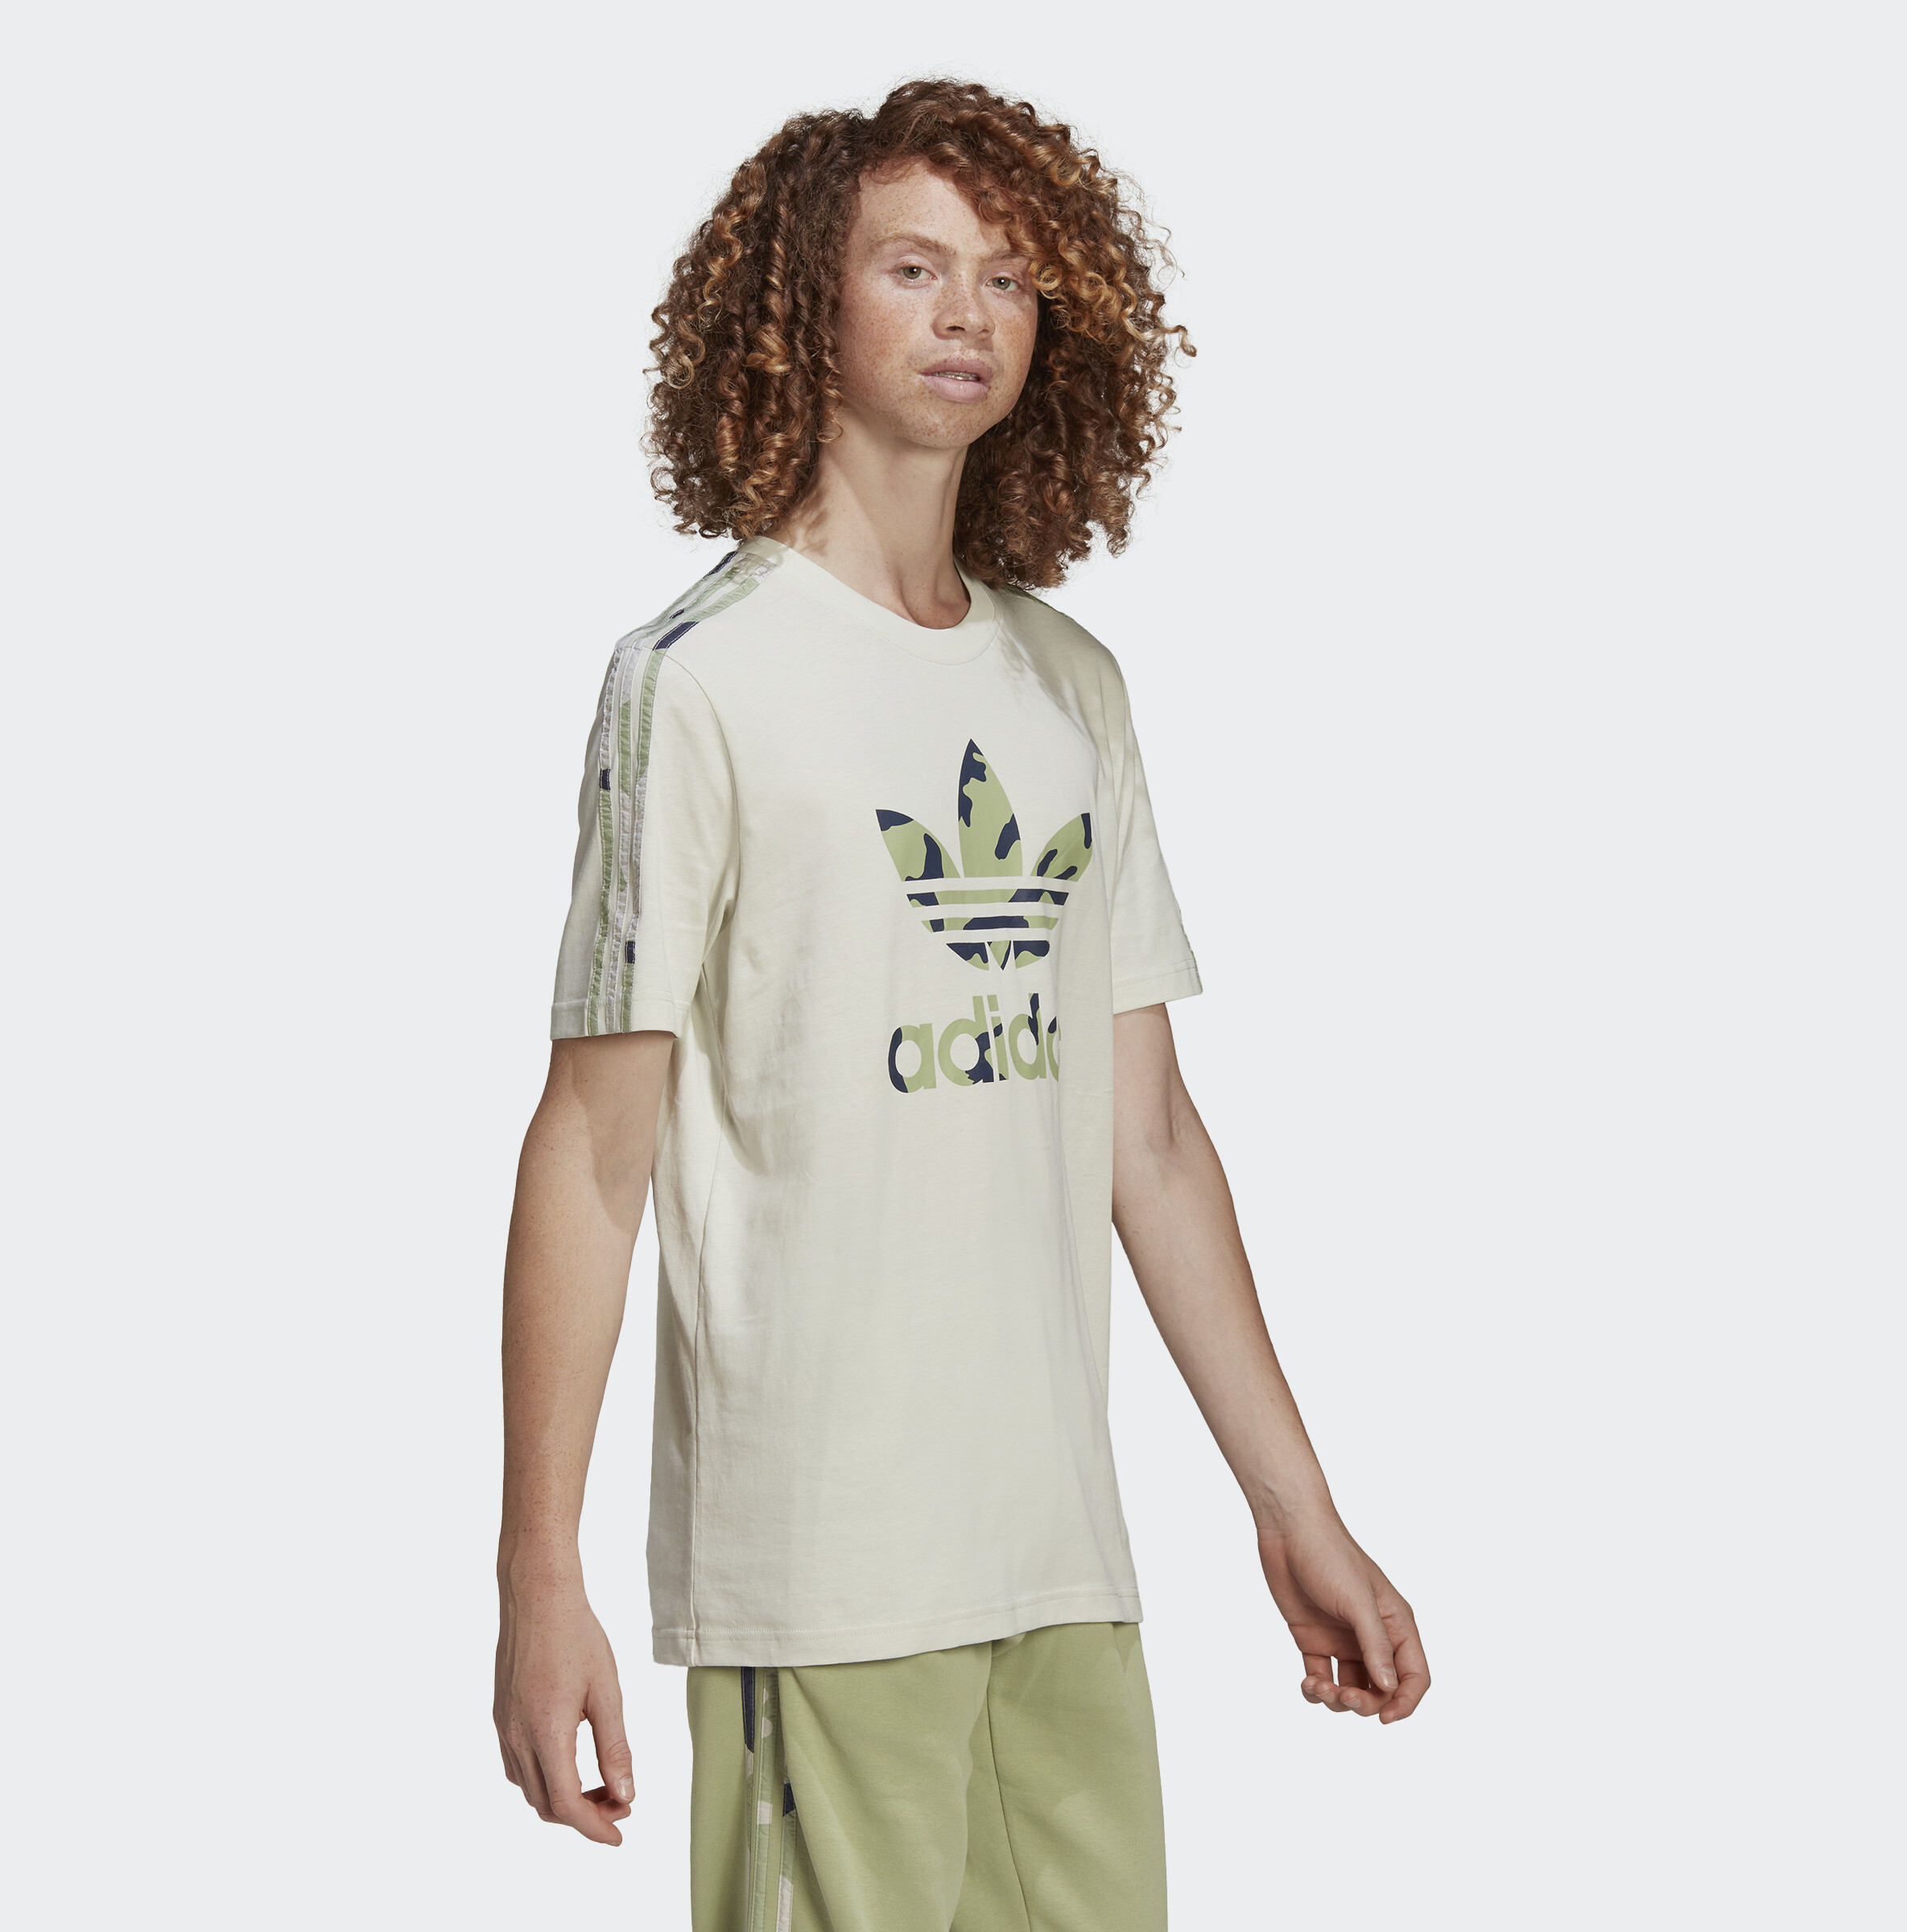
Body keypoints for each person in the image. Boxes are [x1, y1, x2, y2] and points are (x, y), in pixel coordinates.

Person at [493, 77, 1429, 1931]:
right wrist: (540, 1572)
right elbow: (592, 1156)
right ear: (803, 303)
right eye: (912, 267)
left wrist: (1294, 1505)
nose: (967, 313)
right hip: (822, 1569)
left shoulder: (1070, 685)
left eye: (1008, 275)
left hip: (1059, 1558)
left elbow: (1149, 1142)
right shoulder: (700, 681)